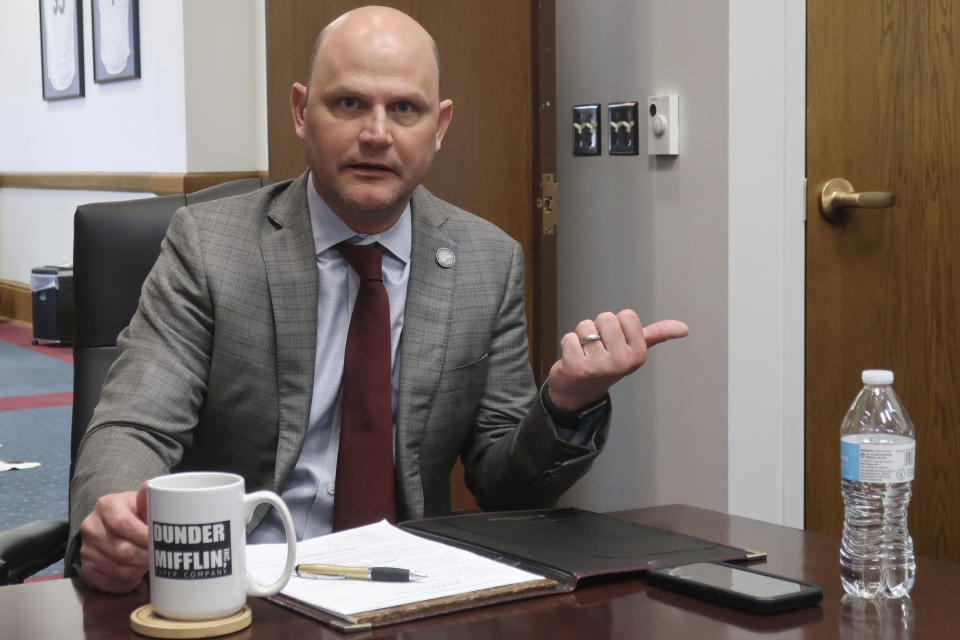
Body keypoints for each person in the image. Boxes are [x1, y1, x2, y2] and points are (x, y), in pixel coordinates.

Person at [68, 6, 689, 594]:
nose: (376, 133)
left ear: (439, 126)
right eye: (348, 103)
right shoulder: (209, 245)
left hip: (410, 587)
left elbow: (505, 487)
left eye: (405, 109)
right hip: (246, 588)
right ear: (300, 111)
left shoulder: (486, 261)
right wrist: (116, 514)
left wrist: (565, 404)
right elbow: (134, 423)